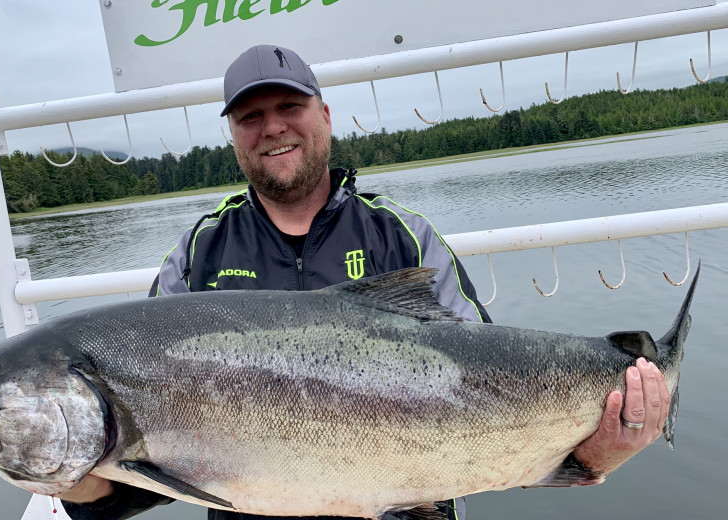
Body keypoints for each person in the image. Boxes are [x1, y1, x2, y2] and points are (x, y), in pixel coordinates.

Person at [59, 44, 672, 520]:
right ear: (234, 136)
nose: (272, 127)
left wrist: (594, 453)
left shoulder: (403, 236)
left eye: (288, 108)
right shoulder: (197, 255)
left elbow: (495, 387)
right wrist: (83, 487)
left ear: (324, 116)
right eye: (251, 116)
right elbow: (143, 477)